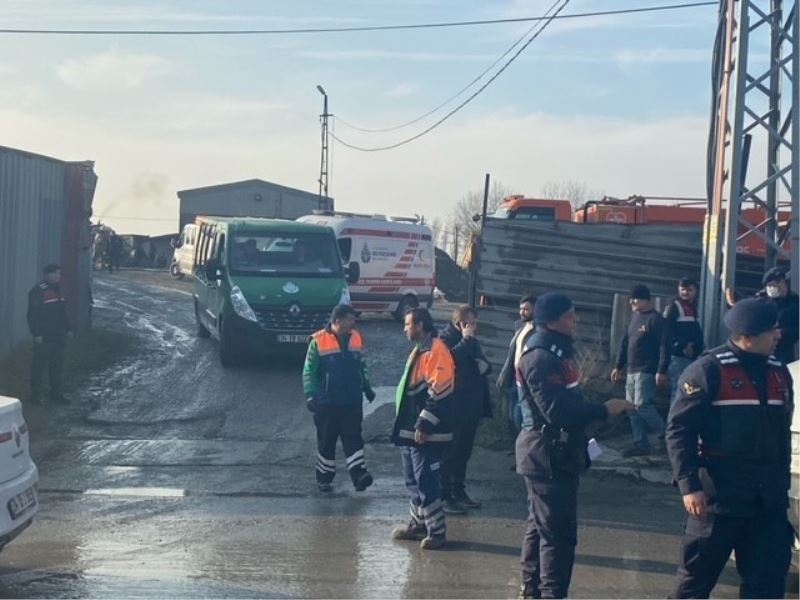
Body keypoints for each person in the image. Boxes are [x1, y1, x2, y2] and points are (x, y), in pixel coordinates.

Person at [666, 298, 793, 598]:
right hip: (719, 501)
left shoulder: (779, 372)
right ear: (748, 337)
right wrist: (688, 485)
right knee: (693, 585)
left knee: (767, 585)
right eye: (771, 330)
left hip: (767, 503)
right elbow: (679, 430)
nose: (778, 335)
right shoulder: (708, 370)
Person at [516, 293, 631, 599]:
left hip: (558, 452)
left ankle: (532, 589)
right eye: (570, 315)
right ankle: (550, 593)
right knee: (558, 534)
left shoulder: (558, 352)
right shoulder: (540, 357)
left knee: (540, 525)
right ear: (552, 321)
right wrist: (604, 409)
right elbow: (558, 411)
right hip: (546, 454)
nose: (575, 320)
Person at [391, 308, 456, 550]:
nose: (404, 328)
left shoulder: (436, 350)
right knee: (413, 479)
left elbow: (441, 389)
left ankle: (437, 532)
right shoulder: (421, 350)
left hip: (426, 432)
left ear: (419, 325)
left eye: (407, 324)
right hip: (411, 431)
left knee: (426, 479)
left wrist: (425, 422)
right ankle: (418, 525)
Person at [302, 304, 376, 493]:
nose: (354, 322)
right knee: (327, 441)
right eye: (350, 319)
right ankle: (324, 478)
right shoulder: (318, 341)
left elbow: (361, 365)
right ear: (338, 321)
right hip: (326, 403)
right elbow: (309, 370)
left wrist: (367, 387)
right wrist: (310, 395)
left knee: (354, 438)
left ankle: (359, 476)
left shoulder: (356, 337)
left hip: (351, 400)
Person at [438, 305, 493, 514]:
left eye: (474, 323)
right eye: (470, 323)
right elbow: (448, 361)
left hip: (471, 405)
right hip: (454, 405)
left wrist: (486, 366)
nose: (474, 327)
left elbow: (484, 362)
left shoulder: (471, 339)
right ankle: (444, 496)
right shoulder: (445, 340)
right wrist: (466, 341)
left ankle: (458, 491)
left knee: (464, 452)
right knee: (449, 452)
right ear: (458, 323)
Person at [610, 284, 667, 457]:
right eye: (631, 298)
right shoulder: (634, 319)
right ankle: (640, 444)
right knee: (631, 409)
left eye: (637, 298)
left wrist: (661, 370)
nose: (632, 301)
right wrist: (618, 366)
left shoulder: (655, 319)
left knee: (643, 406)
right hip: (631, 370)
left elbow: (665, 346)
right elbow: (625, 344)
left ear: (646, 300)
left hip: (647, 370)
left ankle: (668, 436)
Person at [27, 264, 72, 404]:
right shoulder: (38, 290)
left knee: (57, 365)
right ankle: (35, 396)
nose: (57, 276)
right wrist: (37, 334)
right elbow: (32, 315)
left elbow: (63, 312)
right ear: (46, 275)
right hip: (44, 336)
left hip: (59, 335)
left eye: (58, 274)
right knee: (39, 366)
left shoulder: (59, 290)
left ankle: (56, 393)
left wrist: (69, 329)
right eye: (54, 274)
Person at [661, 277, 704, 405]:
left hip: (692, 357)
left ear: (696, 291)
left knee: (687, 390)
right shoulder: (674, 306)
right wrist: (684, 344)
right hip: (679, 356)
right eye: (683, 289)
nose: (685, 293)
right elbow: (667, 331)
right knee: (678, 389)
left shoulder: (692, 307)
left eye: (689, 290)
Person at [497, 294, 536, 432]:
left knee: (520, 416)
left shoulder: (537, 330)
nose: (522, 312)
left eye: (526, 309)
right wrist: (503, 374)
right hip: (514, 377)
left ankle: (525, 444)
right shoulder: (521, 327)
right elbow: (512, 354)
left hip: (526, 379)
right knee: (512, 415)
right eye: (521, 309)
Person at [755, 267, 798, 364]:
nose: (769, 289)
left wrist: (782, 333)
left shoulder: (795, 302)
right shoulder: (762, 299)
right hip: (762, 350)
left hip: (783, 351)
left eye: (771, 285)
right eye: (767, 286)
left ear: (782, 283)